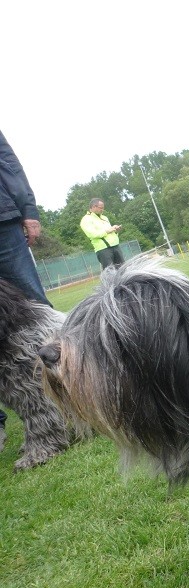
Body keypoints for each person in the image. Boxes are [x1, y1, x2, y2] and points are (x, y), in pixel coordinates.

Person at [0, 128, 54, 449]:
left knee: (37, 310)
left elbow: (7, 162)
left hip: (2, 222)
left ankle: (78, 389)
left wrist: (28, 210)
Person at [80, 198, 124, 269]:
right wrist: (107, 231)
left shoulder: (104, 217)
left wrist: (115, 229)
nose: (102, 210)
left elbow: (109, 231)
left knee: (123, 270)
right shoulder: (86, 219)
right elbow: (92, 234)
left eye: (103, 208)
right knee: (110, 273)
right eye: (101, 208)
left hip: (116, 246)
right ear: (94, 207)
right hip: (103, 249)